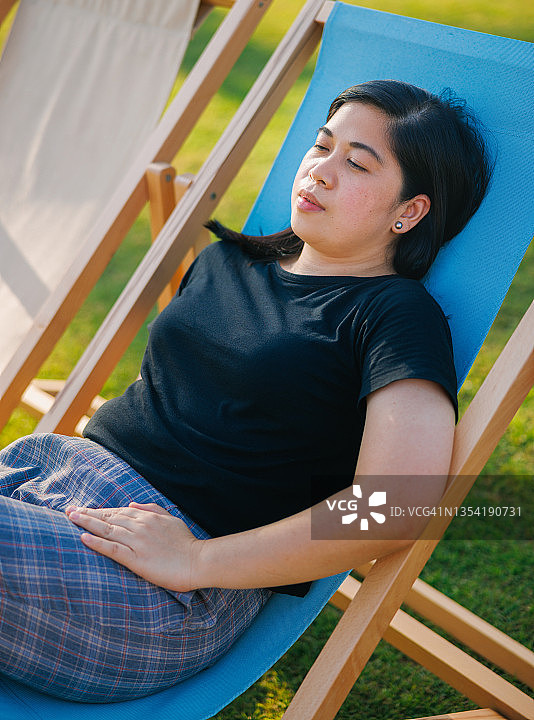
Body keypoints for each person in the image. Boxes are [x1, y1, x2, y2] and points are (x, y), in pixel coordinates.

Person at [0, 80, 492, 703]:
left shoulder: (392, 314)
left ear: (410, 212)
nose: (320, 171)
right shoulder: (226, 261)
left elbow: (396, 504)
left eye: (357, 163)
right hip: (48, 488)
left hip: (162, 588)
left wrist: (197, 561)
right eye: (321, 145)